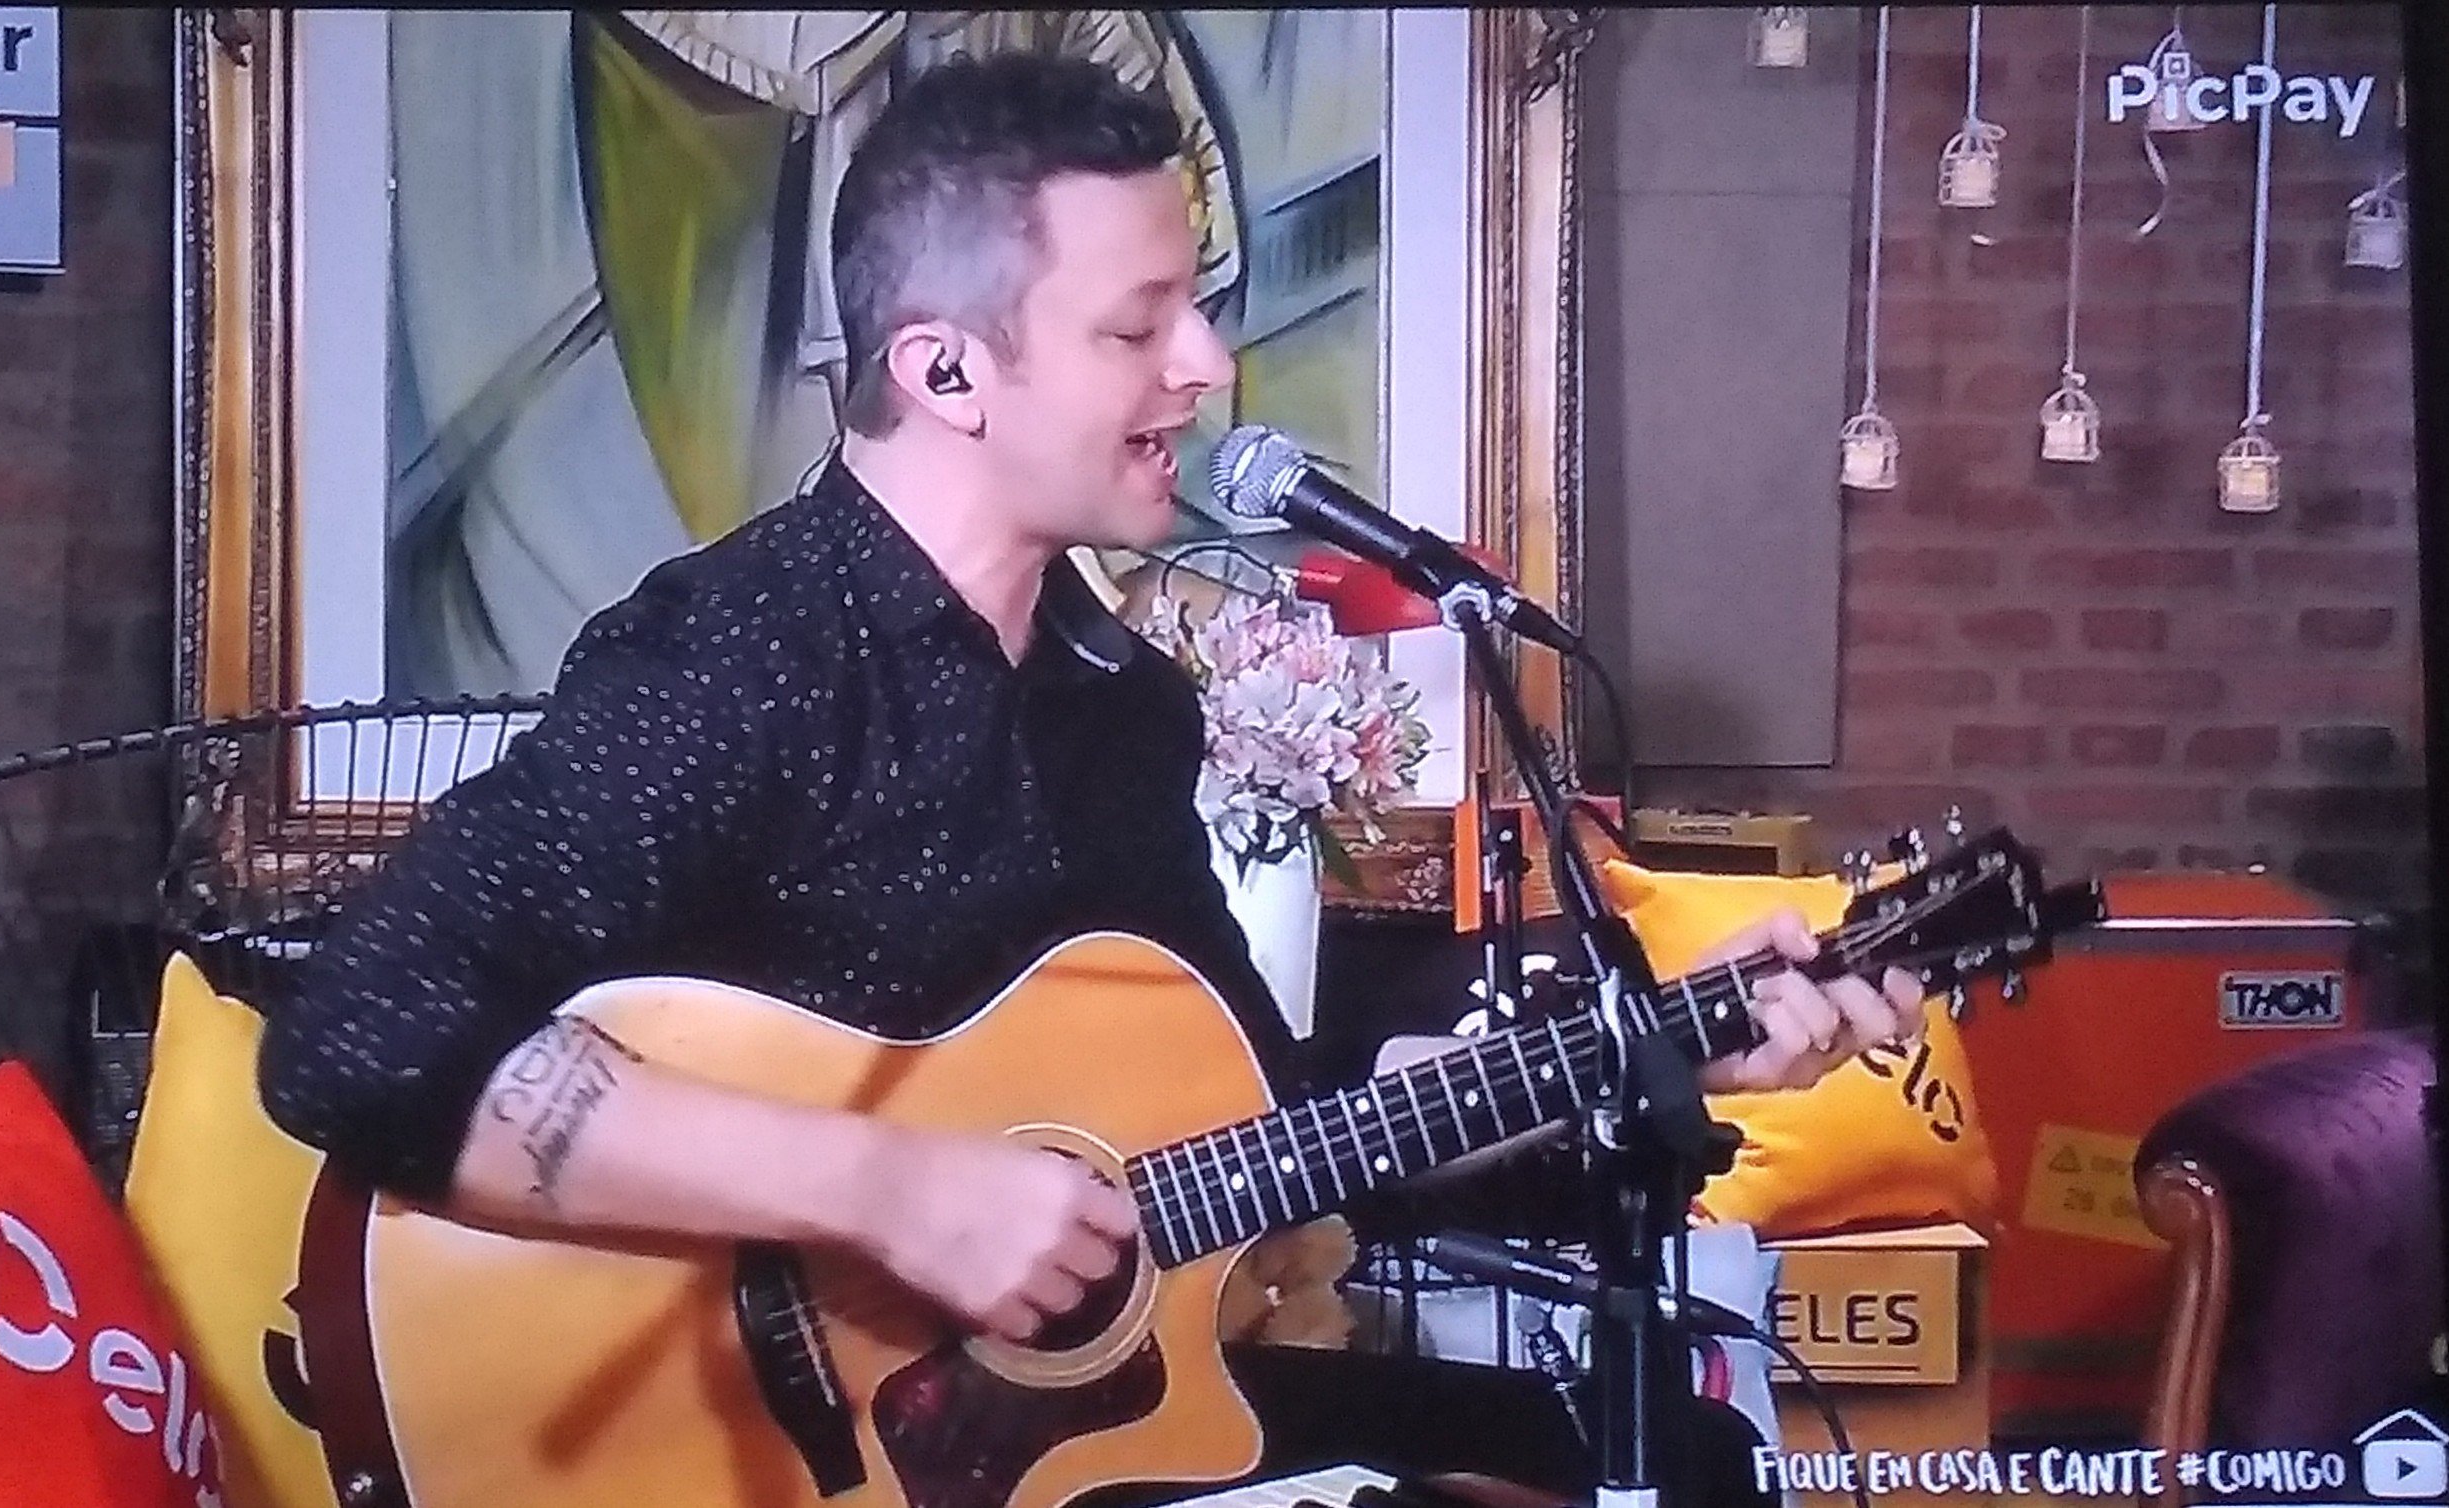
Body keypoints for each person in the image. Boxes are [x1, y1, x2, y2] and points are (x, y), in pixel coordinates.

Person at [258, 49, 1922, 1505]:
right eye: (1139, 324)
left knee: (1684, 1459)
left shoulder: (1117, 706)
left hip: (1052, 1440)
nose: (1205, 365)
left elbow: (1265, 1128)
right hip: (712, 1444)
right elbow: (363, 1029)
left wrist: (1645, 1053)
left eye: (1193, 308)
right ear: (945, 373)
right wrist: (894, 1193)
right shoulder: (746, 654)